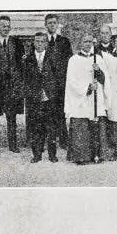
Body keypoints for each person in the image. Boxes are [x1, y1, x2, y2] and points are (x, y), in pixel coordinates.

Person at [64, 32, 110, 164]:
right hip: (81, 99)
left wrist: (99, 72)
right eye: (85, 41)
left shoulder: (98, 59)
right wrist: (88, 88)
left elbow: (105, 78)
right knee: (81, 126)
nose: (88, 44)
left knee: (97, 125)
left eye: (90, 42)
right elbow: (71, 81)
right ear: (80, 43)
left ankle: (97, 154)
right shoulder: (73, 60)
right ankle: (81, 156)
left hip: (96, 98)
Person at [23, 31, 61, 163]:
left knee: (51, 127)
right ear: (34, 43)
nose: (39, 44)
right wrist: (30, 93)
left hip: (50, 98)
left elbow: (58, 77)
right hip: (34, 99)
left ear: (46, 43)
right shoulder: (28, 58)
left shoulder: (53, 57)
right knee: (36, 127)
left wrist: (53, 93)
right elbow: (25, 79)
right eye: (37, 41)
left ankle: (52, 155)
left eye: (42, 41)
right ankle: (37, 154)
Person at [0, 15, 24, 154]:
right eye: (3, 26)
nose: (6, 28)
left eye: (8, 26)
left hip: (11, 86)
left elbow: (21, 65)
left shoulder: (16, 42)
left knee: (11, 117)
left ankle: (13, 145)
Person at [44, 14, 72, 150]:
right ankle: (49, 140)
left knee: (60, 112)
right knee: (47, 112)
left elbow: (69, 61)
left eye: (54, 23)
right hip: (46, 84)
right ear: (46, 25)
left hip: (60, 83)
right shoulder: (41, 40)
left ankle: (63, 140)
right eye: (49, 23)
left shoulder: (64, 41)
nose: (52, 25)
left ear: (57, 25)